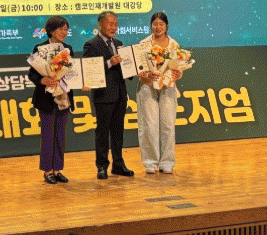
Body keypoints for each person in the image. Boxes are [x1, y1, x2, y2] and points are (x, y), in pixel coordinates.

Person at [83, 11, 135, 180]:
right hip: (103, 96)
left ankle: (118, 164)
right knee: (103, 132)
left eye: (115, 24)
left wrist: (133, 68)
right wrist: (109, 63)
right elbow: (90, 70)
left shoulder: (119, 43)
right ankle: (102, 166)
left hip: (120, 94)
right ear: (100, 25)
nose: (113, 27)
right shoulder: (91, 45)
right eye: (110, 24)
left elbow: (125, 68)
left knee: (118, 132)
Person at [28, 16, 75, 184]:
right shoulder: (40, 48)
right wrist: (43, 80)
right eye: (60, 29)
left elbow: (72, 72)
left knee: (60, 135)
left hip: (63, 97)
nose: (64, 32)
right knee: (48, 135)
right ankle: (47, 170)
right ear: (51, 30)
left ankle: (57, 169)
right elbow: (32, 74)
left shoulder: (67, 49)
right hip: (46, 99)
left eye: (66, 29)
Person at [137, 12, 183, 174]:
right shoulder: (144, 44)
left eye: (161, 24)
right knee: (149, 126)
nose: (158, 27)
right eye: (155, 24)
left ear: (166, 26)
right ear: (151, 25)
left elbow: (179, 68)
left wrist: (177, 74)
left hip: (168, 88)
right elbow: (139, 69)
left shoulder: (174, 44)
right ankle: (150, 162)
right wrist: (145, 75)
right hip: (148, 87)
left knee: (168, 125)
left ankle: (167, 162)